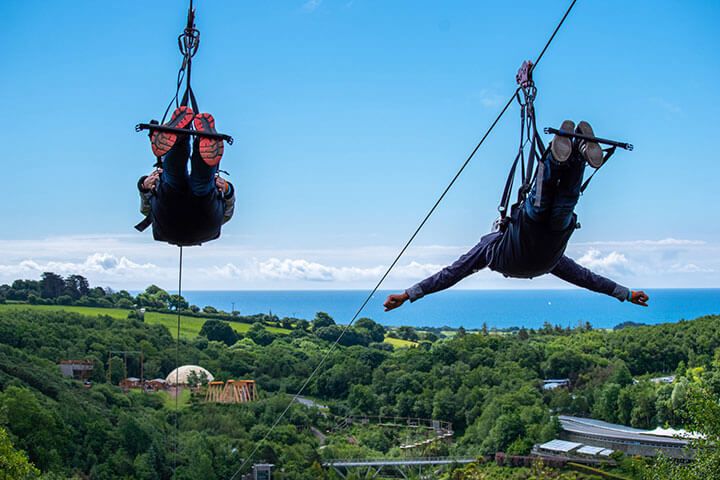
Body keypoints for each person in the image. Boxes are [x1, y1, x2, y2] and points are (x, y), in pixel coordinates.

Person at [384, 120, 649, 311]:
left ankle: (569, 157)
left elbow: (452, 273)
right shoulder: (500, 247)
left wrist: (409, 294)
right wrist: (624, 293)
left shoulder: (490, 252)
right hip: (545, 241)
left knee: (560, 205)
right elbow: (586, 278)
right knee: (546, 205)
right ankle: (570, 157)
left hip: (546, 241)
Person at [136, 106, 235, 246]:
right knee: (176, 179)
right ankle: (182, 140)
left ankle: (180, 139)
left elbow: (227, 213)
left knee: (199, 183)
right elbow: (146, 209)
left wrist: (227, 190)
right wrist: (144, 187)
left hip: (177, 223)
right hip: (201, 222)